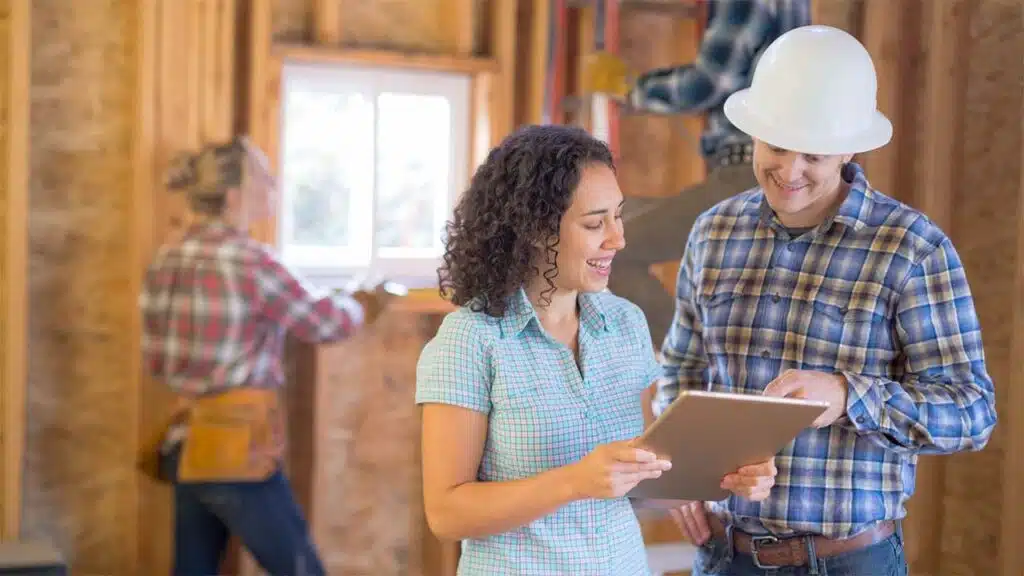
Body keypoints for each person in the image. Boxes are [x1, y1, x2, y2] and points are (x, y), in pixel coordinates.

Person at [654, 25, 998, 576]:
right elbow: (682, 366)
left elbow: (972, 413)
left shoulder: (910, 248)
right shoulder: (714, 233)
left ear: (850, 147)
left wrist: (846, 395)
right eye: (776, 147)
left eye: (813, 155)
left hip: (849, 562)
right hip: (724, 557)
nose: (789, 171)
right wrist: (685, 473)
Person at [415, 124, 779, 575]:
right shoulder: (470, 339)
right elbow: (447, 514)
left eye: (618, 216)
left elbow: (645, 478)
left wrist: (727, 476)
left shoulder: (625, 323)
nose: (618, 239)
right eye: (595, 223)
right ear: (534, 229)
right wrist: (573, 482)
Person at [138, 136, 394, 576]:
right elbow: (324, 322)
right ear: (236, 196)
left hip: (188, 442)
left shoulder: (167, 259)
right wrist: (363, 303)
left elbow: (156, 361)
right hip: (237, 448)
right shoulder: (249, 261)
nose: (273, 185)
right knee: (301, 569)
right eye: (264, 177)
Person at [585, 0, 811, 344]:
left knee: (612, 252)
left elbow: (709, 83)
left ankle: (695, 357)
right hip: (761, 174)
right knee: (621, 217)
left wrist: (631, 88)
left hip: (748, 174)